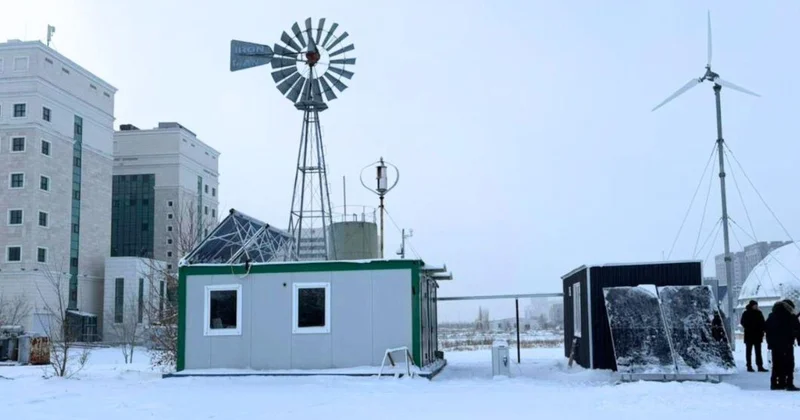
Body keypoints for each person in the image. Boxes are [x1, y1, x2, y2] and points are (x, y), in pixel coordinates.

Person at [765, 299, 800, 391]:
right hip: (787, 344)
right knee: (789, 364)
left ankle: (775, 383)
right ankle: (788, 383)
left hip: (775, 345)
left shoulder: (771, 316)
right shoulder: (790, 316)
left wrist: (770, 343)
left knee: (776, 364)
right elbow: (796, 329)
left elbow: (767, 329)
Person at [740, 300, 768, 372]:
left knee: (758, 351)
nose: (756, 306)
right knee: (749, 352)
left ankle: (759, 366)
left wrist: (763, 329)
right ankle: (749, 366)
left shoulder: (759, 313)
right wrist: (749, 327)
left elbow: (762, 322)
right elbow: (742, 322)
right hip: (749, 335)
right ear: (751, 305)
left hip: (757, 335)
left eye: (756, 305)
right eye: (755, 305)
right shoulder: (746, 313)